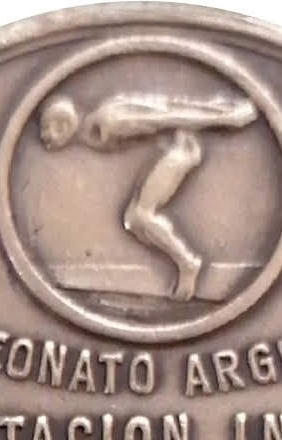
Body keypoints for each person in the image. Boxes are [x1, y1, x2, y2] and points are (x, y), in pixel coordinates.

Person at [39, 92, 258, 301]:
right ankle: (185, 262)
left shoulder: (111, 122)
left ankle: (188, 263)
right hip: (169, 152)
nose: (43, 136)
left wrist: (226, 118)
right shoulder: (92, 132)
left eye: (47, 128)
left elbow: (167, 116)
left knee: (141, 215)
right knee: (135, 221)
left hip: (180, 151)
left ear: (63, 125)